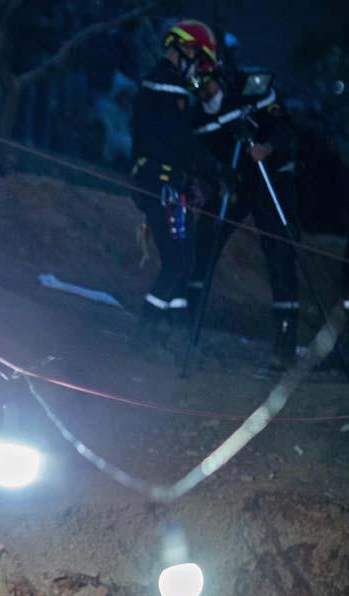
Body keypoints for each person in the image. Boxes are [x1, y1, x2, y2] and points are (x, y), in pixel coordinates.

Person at [190, 60, 300, 367]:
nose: (202, 92)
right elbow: (203, 152)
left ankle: (285, 342)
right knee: (206, 234)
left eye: (205, 83)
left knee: (280, 253)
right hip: (236, 182)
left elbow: (283, 126)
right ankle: (189, 323)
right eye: (194, 87)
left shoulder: (251, 89)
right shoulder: (199, 114)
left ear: (218, 76)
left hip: (271, 178)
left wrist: (267, 146)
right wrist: (218, 179)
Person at [129, 19, 230, 340]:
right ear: (177, 49)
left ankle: (176, 331)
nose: (197, 66)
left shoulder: (170, 86)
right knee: (178, 262)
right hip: (160, 182)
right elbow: (184, 139)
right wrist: (216, 170)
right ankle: (146, 332)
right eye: (194, 56)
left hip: (168, 182)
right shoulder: (168, 86)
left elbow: (190, 131)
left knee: (182, 260)